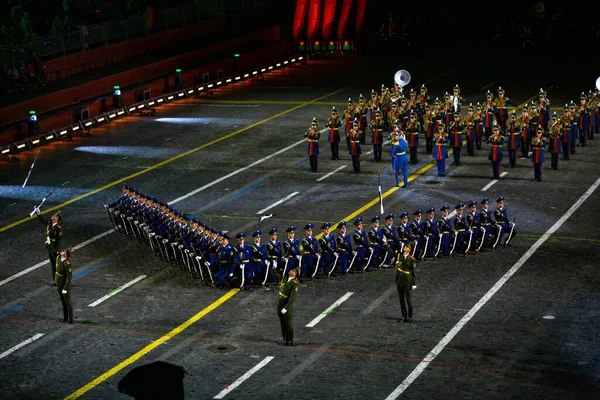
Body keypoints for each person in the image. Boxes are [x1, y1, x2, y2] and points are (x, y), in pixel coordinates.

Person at [36, 209, 63, 285]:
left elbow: (58, 240)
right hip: (49, 247)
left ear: (57, 219)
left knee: (56, 265)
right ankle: (55, 281)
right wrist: (38, 213)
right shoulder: (50, 224)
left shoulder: (58, 228)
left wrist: (57, 250)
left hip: (54, 248)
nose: (52, 216)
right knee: (53, 265)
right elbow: (43, 221)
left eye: (54, 216)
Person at [274, 267, 299, 346]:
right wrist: (274, 268)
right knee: (282, 323)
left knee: (288, 323)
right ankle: (285, 340)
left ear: (296, 274)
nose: (291, 271)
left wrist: (287, 307)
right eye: (291, 270)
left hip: (286, 304)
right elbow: (275, 274)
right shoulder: (284, 278)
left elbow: (292, 297)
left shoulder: (294, 283)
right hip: (280, 302)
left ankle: (290, 341)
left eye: (294, 271)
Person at [395, 244, 415, 323]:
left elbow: (413, 272)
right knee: (401, 300)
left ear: (409, 250)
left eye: (407, 247)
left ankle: (410, 317)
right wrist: (386, 244)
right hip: (399, 280)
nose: (405, 248)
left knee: (408, 300)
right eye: (405, 247)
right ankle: (404, 316)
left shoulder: (411, 259)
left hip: (407, 281)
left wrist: (413, 283)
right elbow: (390, 251)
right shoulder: (399, 255)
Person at [55, 248, 73, 324]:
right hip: (59, 283)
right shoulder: (59, 259)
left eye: (64, 251)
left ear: (66, 254)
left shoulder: (67, 264)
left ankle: (70, 318)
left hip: (64, 284)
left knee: (67, 301)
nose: (62, 251)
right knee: (63, 301)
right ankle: (65, 318)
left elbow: (69, 278)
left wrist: (65, 288)